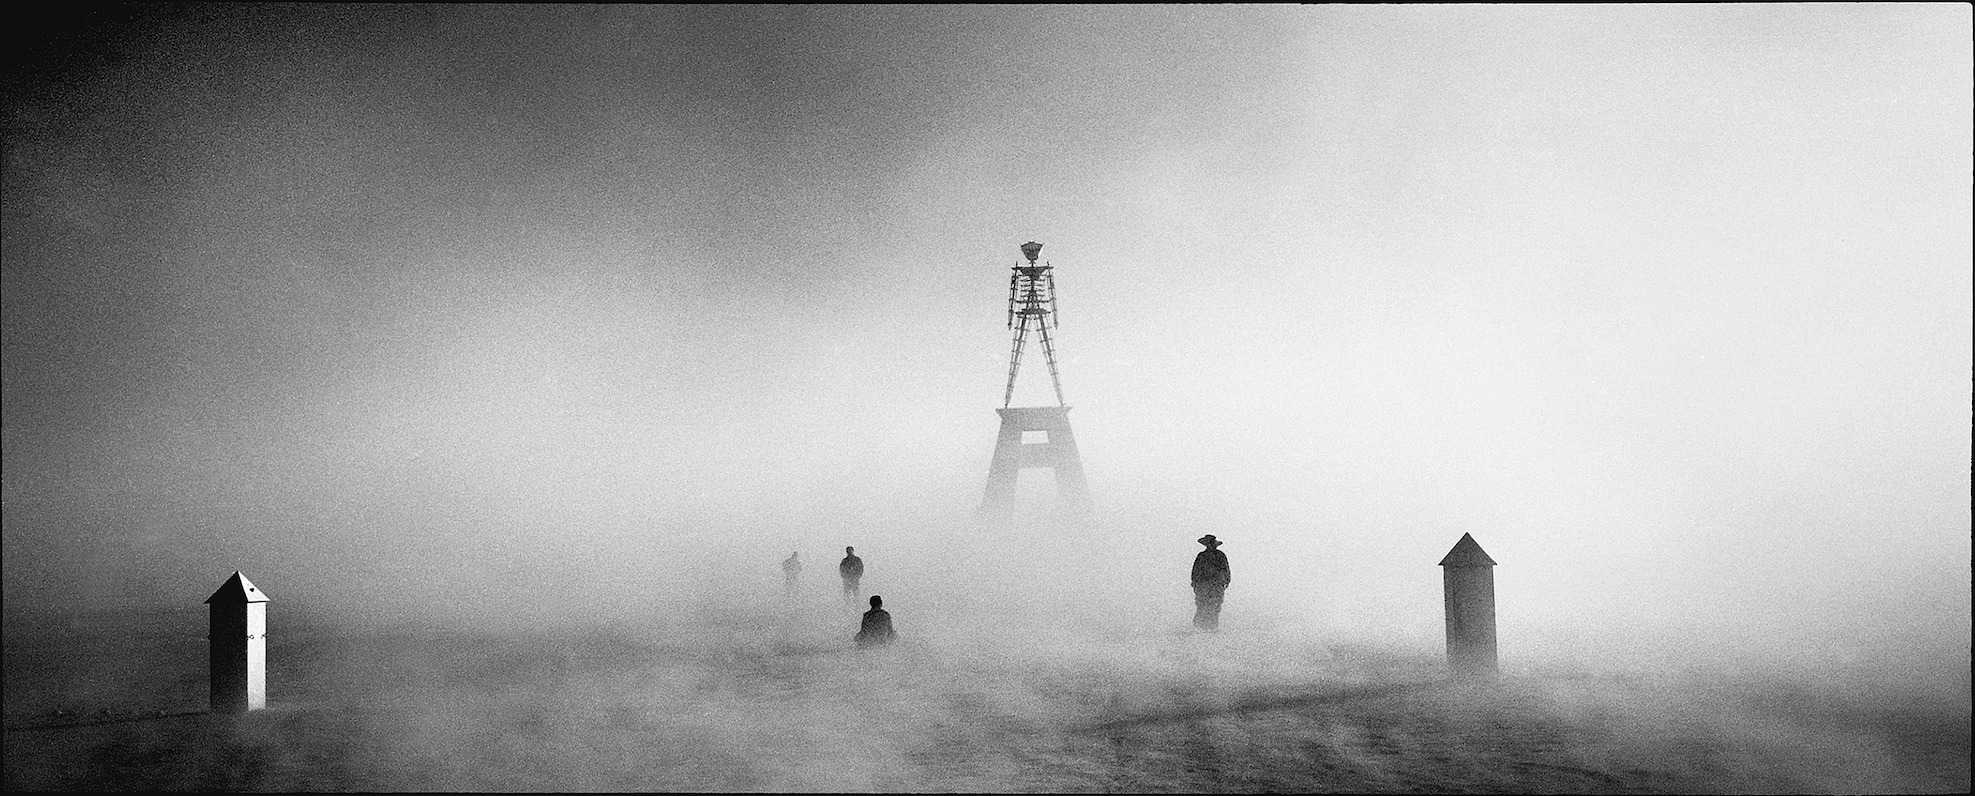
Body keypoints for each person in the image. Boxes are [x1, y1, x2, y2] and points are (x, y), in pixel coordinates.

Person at [1191, 534, 1231, 630]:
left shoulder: (1214, 555)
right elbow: (1195, 572)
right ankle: (1203, 627)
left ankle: (1208, 627)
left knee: (1212, 606)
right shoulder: (1203, 556)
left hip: (1213, 586)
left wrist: (1226, 580)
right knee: (1205, 606)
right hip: (1208, 586)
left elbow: (1225, 569)